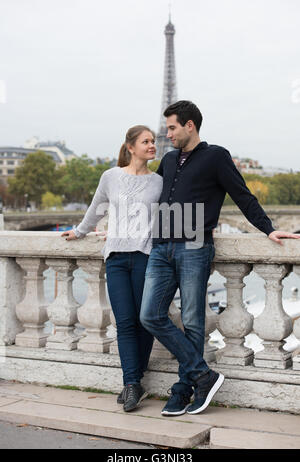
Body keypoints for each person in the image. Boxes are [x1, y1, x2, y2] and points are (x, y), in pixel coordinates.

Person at [140, 100, 300, 416]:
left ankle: (184, 388)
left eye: (172, 127)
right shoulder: (169, 160)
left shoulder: (216, 157)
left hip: (194, 246)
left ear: (190, 125)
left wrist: (268, 229)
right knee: (149, 315)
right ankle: (204, 375)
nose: (167, 134)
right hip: (161, 247)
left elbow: (243, 196)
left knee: (192, 321)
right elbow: (149, 198)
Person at [62, 125, 163, 412]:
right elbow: (97, 208)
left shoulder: (159, 181)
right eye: (146, 141)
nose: (152, 145)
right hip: (117, 258)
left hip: (145, 256)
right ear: (131, 147)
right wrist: (80, 232)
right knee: (125, 322)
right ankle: (132, 383)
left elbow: (169, 216)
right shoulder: (111, 177)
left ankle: (134, 381)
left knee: (145, 321)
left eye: (154, 141)